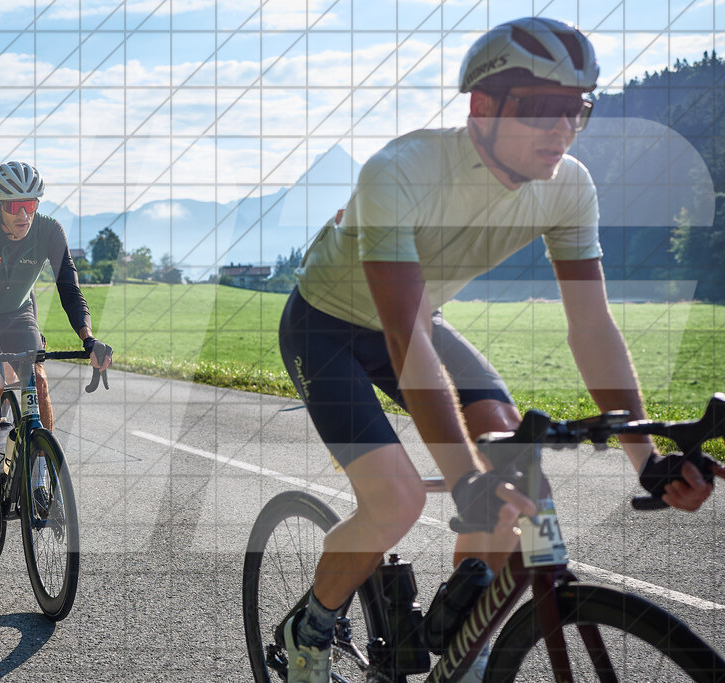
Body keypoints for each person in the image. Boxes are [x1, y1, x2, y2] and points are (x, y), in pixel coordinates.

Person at [277, 17, 725, 682]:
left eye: (576, 109)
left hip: (417, 323)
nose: (563, 128)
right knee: (397, 500)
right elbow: (404, 337)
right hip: (327, 326)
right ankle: (309, 630)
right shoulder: (400, 171)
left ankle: (466, 639)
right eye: (542, 107)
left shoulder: (569, 185)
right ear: (482, 107)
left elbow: (592, 328)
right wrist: (464, 477)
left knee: (519, 469)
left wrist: (647, 459)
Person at [0, 160, 112, 518]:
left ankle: (38, 476)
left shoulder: (50, 231)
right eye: (13, 206)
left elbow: (69, 287)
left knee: (37, 379)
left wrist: (89, 339)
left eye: (30, 204)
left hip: (17, 311)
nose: (23, 214)